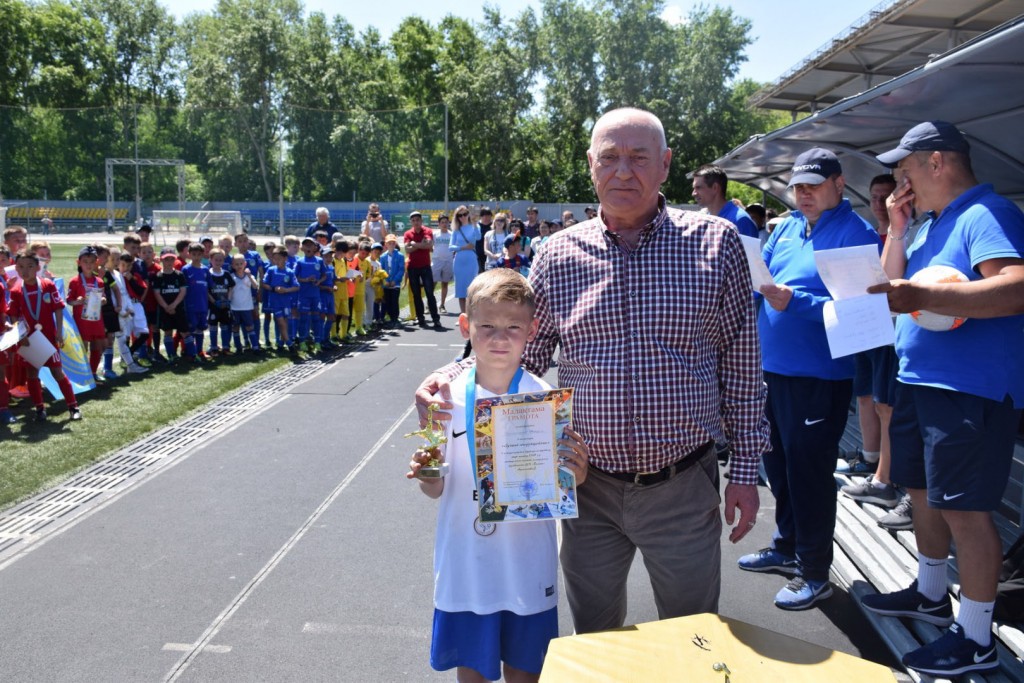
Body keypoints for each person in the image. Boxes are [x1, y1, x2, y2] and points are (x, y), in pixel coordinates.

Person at [416, 108, 768, 635]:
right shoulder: (557, 255)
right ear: (590, 165)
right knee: (596, 640)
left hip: (682, 485)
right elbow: (520, 355)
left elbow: (742, 364)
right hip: (588, 489)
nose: (623, 171)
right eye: (610, 157)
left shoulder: (715, 245)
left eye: (639, 157)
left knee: (693, 635)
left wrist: (744, 471)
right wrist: (451, 379)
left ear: (666, 165)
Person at [859, 120, 1024, 677]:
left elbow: (1017, 287)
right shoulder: (930, 223)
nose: (899, 179)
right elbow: (887, 291)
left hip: (968, 390)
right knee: (924, 494)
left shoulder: (986, 213)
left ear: (936, 162)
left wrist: (922, 292)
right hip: (920, 381)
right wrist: (897, 230)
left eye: (905, 167)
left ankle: (975, 636)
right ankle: (931, 594)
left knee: (966, 511)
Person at [408, 268, 589, 682]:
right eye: (486, 326)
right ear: (466, 326)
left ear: (532, 329)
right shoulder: (444, 399)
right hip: (466, 563)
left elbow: (559, 483)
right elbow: (434, 489)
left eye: (513, 326)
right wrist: (425, 473)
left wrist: (574, 477)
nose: (499, 338)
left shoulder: (544, 399)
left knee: (525, 673)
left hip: (527, 563)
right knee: (472, 673)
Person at [738, 148, 880, 610]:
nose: (803, 194)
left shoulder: (855, 236)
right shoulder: (790, 228)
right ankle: (786, 545)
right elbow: (770, 284)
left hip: (820, 376)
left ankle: (814, 571)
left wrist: (793, 302)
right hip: (776, 370)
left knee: (810, 475)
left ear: (839, 185)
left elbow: (865, 315)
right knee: (778, 467)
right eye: (798, 186)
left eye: (813, 185)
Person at [838, 174, 908, 520]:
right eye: (876, 196)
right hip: (866, 325)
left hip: (891, 328)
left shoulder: (903, 234)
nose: (880, 202)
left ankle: (886, 477)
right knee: (866, 394)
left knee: (886, 403)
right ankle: (870, 460)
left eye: (886, 196)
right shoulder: (870, 233)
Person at [8, 250, 82, 421]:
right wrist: (20, 335)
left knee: (57, 372)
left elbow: (57, 308)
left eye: (29, 266)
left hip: (48, 337)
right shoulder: (16, 291)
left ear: (37, 267)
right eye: (20, 267)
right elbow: (13, 315)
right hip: (29, 340)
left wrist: (59, 332)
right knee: (32, 374)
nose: (24, 270)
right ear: (16, 269)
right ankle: (40, 409)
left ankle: (73, 406)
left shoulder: (47, 285)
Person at [66, 246, 107, 379]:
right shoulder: (74, 281)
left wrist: (103, 300)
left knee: (98, 347)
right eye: (85, 262)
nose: (89, 265)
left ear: (96, 263)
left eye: (91, 262)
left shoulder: (99, 281)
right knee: (83, 347)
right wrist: (77, 301)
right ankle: (82, 374)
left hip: (96, 319)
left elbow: (104, 297)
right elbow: (68, 300)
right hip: (81, 321)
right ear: (79, 263)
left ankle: (93, 372)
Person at [691, 165, 759, 239]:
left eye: (698, 188)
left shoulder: (741, 220)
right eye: (694, 188)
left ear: (715, 188)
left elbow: (749, 250)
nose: (693, 193)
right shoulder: (705, 218)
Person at [404, 211, 443, 331]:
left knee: (429, 293)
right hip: (413, 267)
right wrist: (420, 245)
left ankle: (435, 319)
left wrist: (414, 244)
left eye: (418, 220)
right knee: (416, 294)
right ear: (411, 222)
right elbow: (407, 250)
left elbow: (429, 245)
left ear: (421, 221)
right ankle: (420, 318)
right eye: (413, 220)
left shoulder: (427, 231)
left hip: (425, 267)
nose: (416, 222)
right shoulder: (407, 233)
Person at [152, 247, 190, 363]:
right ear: (161, 260)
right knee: (168, 331)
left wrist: (174, 305)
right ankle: (171, 355)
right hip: (165, 310)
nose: (169, 262)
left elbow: (183, 291)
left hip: (178, 308)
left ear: (175, 260)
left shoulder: (179, 275)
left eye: (171, 259)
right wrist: (166, 306)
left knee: (185, 331)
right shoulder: (158, 276)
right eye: (166, 259)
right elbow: (157, 294)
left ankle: (192, 354)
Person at [261, 246, 299, 351]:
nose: (276, 261)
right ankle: (289, 343)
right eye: (274, 259)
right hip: (275, 302)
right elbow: (264, 284)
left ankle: (281, 343)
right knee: (281, 322)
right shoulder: (271, 270)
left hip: (286, 302)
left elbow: (296, 286)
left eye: (279, 259)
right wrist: (274, 289)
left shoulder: (290, 272)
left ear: (285, 258)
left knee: (285, 323)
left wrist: (286, 290)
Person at [294, 237, 326, 352]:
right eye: (306, 245)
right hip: (303, 295)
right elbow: (295, 277)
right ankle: (302, 341)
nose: (308, 247)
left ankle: (317, 342)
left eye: (310, 245)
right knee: (303, 318)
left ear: (315, 247)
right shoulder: (300, 261)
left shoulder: (320, 261)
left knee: (316, 318)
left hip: (315, 295)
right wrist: (306, 279)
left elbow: (324, 275)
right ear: (302, 248)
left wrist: (319, 281)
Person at [182, 243, 211, 362]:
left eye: (199, 254)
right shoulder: (186, 269)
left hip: (203, 305)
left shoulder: (205, 269)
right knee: (190, 329)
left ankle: (199, 350)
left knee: (201, 328)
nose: (197, 257)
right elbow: (182, 288)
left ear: (203, 255)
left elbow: (209, 287)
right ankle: (190, 352)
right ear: (189, 254)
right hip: (190, 305)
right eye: (194, 254)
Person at [450, 205, 480, 315]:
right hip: (459, 261)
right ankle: (463, 314)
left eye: (464, 214)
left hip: (471, 260)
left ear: (468, 214)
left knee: (472, 288)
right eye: (459, 215)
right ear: (457, 217)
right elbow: (450, 247)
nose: (462, 217)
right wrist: (462, 248)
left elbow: (478, 237)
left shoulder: (474, 227)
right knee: (461, 289)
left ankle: (472, 315)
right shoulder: (456, 231)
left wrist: (476, 224)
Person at [228, 255, 259, 353]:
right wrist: (228, 302)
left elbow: (255, 286)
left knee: (250, 327)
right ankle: (238, 347)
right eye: (236, 264)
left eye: (241, 263)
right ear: (233, 265)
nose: (239, 266)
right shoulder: (231, 277)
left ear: (245, 264)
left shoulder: (249, 276)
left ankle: (255, 346)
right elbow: (230, 291)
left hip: (246, 307)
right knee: (235, 327)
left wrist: (249, 276)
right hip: (234, 307)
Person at [379, 234, 404, 327]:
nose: (391, 245)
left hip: (395, 284)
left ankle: (395, 318)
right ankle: (389, 317)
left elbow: (401, 269)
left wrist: (395, 280)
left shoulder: (400, 256)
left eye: (393, 243)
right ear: (386, 244)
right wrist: (386, 280)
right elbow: (382, 270)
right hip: (386, 284)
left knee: (394, 301)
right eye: (389, 243)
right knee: (387, 301)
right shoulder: (383, 257)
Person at [431, 214, 455, 313]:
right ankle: (430, 305)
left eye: (446, 222)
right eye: (442, 222)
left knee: (444, 284)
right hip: (437, 261)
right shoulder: (435, 234)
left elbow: (454, 248)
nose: (444, 224)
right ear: (439, 224)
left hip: (448, 262)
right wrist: (436, 253)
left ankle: (442, 305)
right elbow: (430, 246)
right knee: (433, 284)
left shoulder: (452, 234)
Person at [474, 208, 493, 273]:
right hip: (478, 256)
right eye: (483, 215)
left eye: (488, 215)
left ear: (491, 216)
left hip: (491, 256)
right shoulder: (476, 226)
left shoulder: (494, 226)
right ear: (481, 216)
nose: (486, 218)